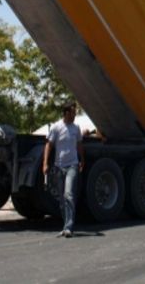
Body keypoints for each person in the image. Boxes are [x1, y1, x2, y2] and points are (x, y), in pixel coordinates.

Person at [43, 101, 85, 237]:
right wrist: (45, 163)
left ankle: (69, 227)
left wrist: (82, 160)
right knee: (62, 200)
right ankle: (65, 225)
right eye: (73, 112)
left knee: (69, 194)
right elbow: (48, 145)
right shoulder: (56, 127)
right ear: (66, 113)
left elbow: (79, 145)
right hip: (59, 166)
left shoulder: (76, 128)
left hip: (72, 165)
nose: (75, 115)